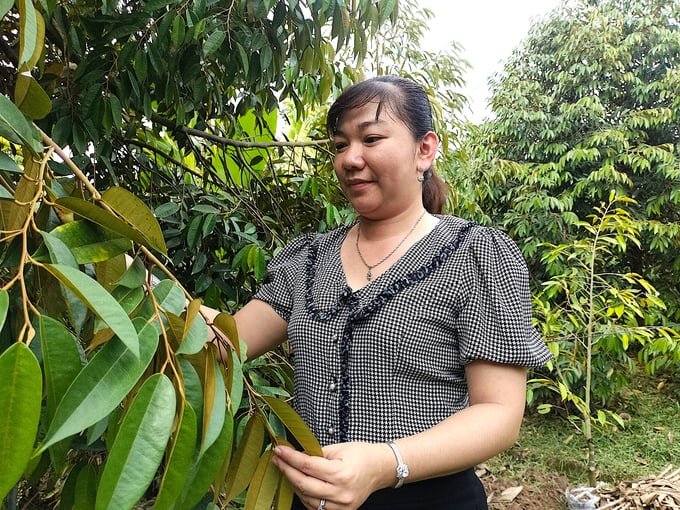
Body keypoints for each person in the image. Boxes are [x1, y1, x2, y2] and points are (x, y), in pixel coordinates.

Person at [226, 75, 552, 510]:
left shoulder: (475, 255)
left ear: (425, 149)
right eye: (340, 145)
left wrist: (386, 463)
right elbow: (225, 339)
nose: (350, 159)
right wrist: (130, 270)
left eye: (371, 138)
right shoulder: (308, 257)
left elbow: (500, 413)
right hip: (307, 500)